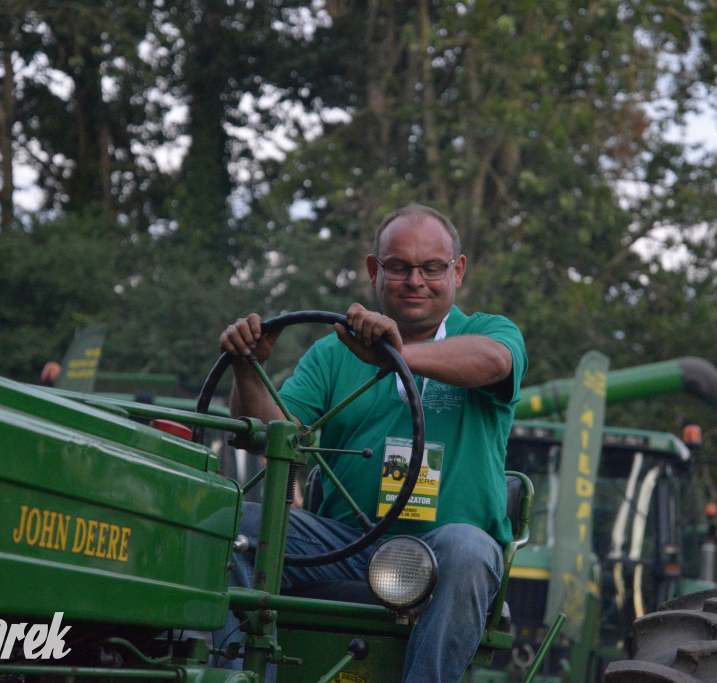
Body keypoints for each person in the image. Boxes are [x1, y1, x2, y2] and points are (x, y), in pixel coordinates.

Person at [215, 203, 528, 682]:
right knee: (231, 525)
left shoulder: (487, 332)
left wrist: (399, 353)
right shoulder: (333, 352)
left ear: (458, 271)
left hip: (444, 548)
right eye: (399, 267)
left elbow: (495, 363)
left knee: (469, 547)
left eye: (431, 268)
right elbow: (270, 435)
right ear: (373, 270)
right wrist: (246, 367)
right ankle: (239, 676)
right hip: (347, 544)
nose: (415, 281)